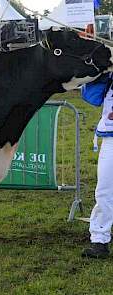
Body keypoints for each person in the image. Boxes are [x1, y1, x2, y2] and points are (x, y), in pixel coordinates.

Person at [81, 73, 113, 258]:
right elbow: (92, 97)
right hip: (110, 137)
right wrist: (101, 74)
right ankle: (100, 240)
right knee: (105, 190)